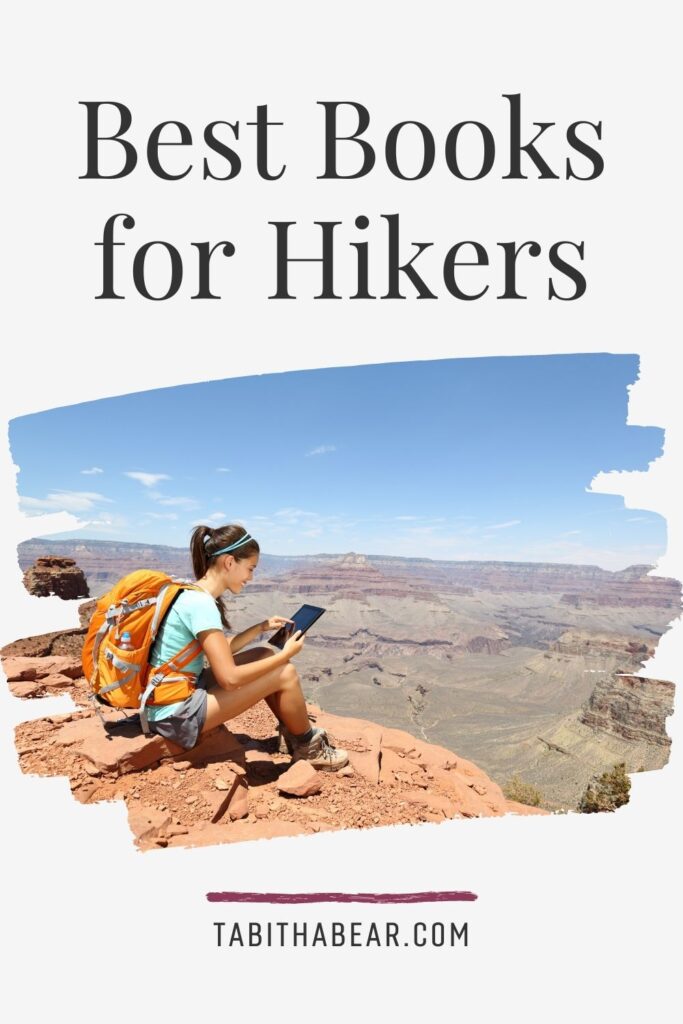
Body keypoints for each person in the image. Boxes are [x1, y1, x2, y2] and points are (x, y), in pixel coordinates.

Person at [144, 522, 348, 770]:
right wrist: (286, 655)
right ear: (229, 562)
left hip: (172, 695)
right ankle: (308, 747)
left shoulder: (192, 593)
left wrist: (260, 628)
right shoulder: (202, 605)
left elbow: (220, 650)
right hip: (175, 715)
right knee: (285, 672)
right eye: (250, 568)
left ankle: (292, 733)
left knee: (263, 653)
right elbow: (229, 678)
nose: (251, 577)